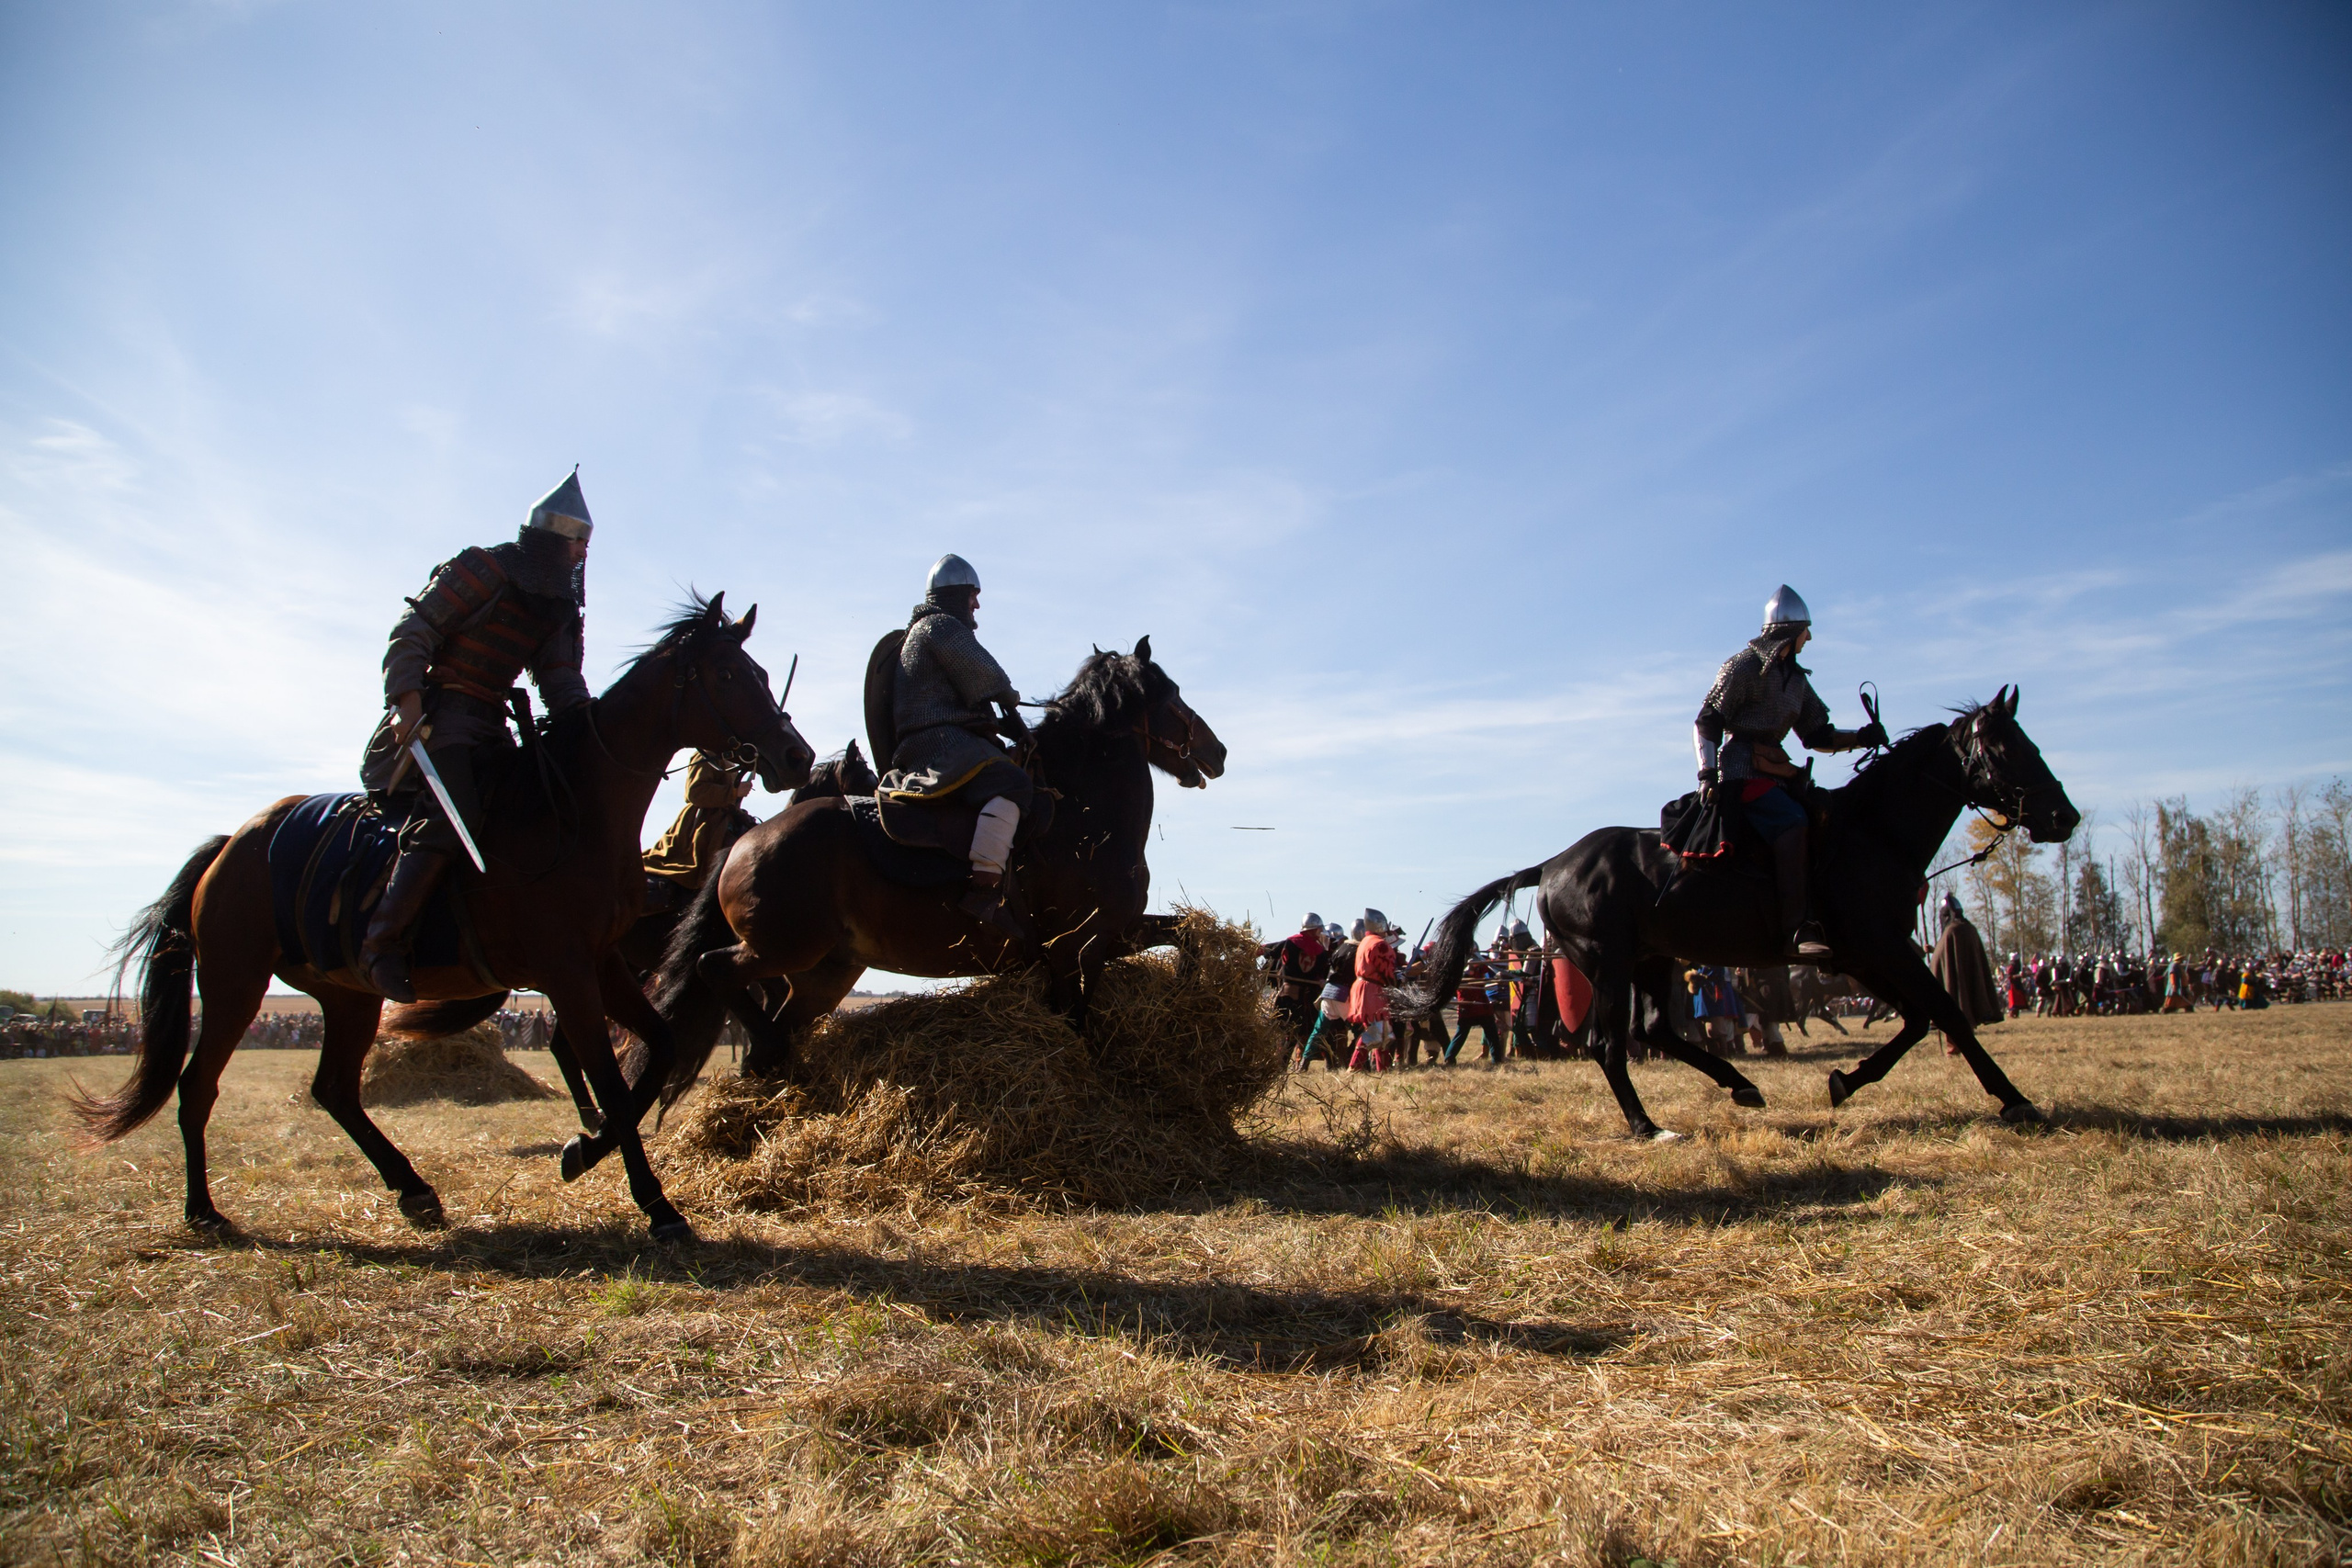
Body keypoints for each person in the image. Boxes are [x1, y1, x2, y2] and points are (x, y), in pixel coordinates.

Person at [357, 470, 594, 1000]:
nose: (583, 554)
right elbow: (413, 631)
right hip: (441, 714)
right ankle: (382, 941)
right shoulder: (485, 567)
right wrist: (406, 700)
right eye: (579, 541)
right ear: (554, 539)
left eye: (587, 545)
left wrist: (594, 725)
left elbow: (560, 683)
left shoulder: (556, 603)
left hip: (492, 726)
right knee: (453, 811)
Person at [1692, 585, 1886, 961]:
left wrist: (1862, 737)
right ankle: (1798, 929)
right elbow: (1707, 720)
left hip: (1778, 772)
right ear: (1789, 630)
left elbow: (1817, 735)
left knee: (1825, 813)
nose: (1809, 638)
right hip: (1741, 771)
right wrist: (1708, 773)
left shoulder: (1796, 680)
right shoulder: (1743, 666)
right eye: (1805, 630)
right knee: (1792, 821)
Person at [876, 555, 1035, 939]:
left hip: (945, 741)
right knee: (1013, 782)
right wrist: (1012, 704)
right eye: (972, 596)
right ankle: (983, 891)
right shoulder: (940, 626)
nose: (976, 605)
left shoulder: (920, 632)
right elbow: (987, 677)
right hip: (943, 747)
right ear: (956, 596)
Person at [641, 750, 760, 906]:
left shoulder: (729, 761)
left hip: (724, 821)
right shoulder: (707, 756)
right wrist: (733, 792)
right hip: (703, 824)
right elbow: (694, 792)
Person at [1928, 892, 2001, 1055]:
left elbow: (1943, 958)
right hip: (1965, 982)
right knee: (1964, 1010)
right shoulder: (1969, 929)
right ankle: (1964, 1045)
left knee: (1953, 1011)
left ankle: (1954, 1048)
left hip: (1955, 985)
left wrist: (1934, 957)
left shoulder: (1953, 932)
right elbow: (1946, 955)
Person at [1264, 914, 1331, 1048]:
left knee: (1283, 1029)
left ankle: (1281, 1061)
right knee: (1297, 1032)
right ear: (1312, 930)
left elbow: (1268, 953)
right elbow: (1322, 975)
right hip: (1306, 998)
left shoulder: (1290, 942)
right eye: (1318, 930)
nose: (1319, 934)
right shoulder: (1321, 951)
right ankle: (1282, 1061)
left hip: (1287, 994)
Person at [1347, 908, 1398, 1072]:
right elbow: (1386, 970)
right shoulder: (1379, 944)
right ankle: (1354, 1067)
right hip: (1373, 990)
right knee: (1375, 1033)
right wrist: (1397, 980)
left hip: (1366, 987)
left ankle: (1382, 1069)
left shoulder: (1365, 941)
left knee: (1384, 1032)